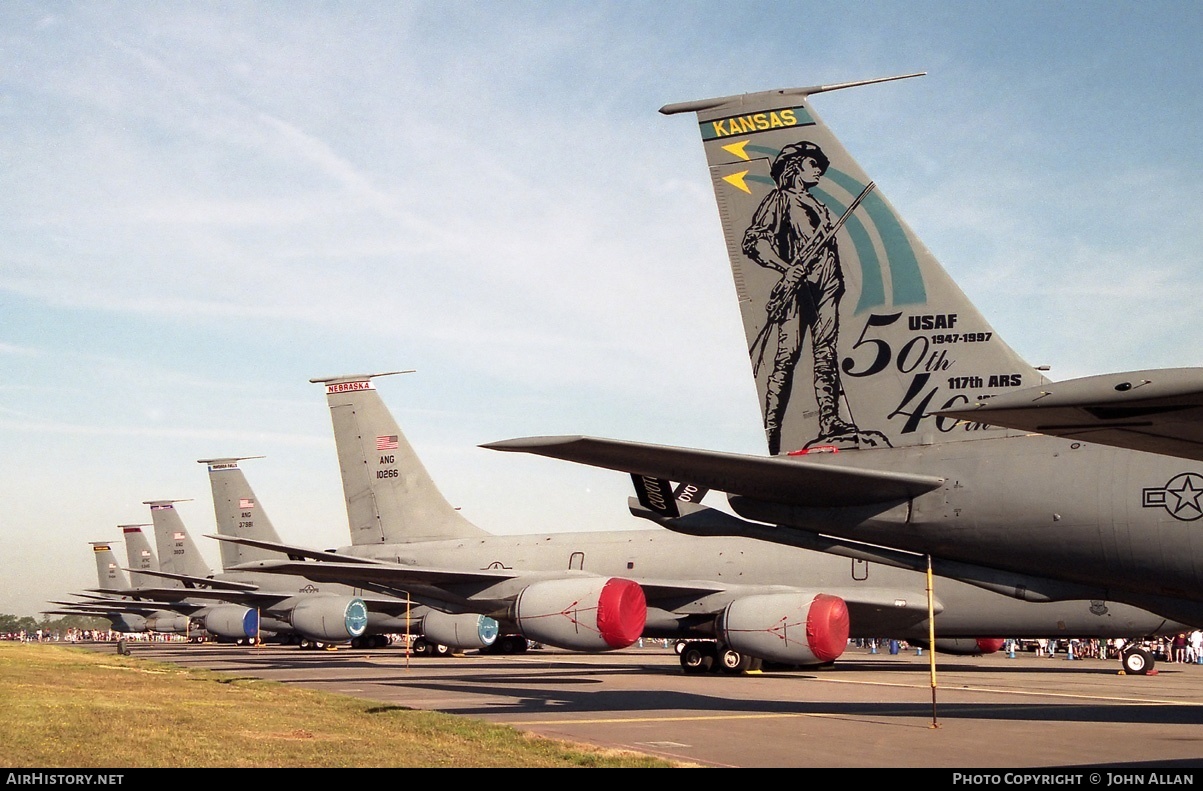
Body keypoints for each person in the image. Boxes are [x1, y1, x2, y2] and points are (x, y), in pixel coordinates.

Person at [742, 141, 861, 453]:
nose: (818, 169)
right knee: (787, 357)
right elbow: (755, 241)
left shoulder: (818, 205)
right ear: (795, 167)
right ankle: (773, 432)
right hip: (798, 288)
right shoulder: (780, 199)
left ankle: (830, 420)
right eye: (812, 163)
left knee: (826, 353)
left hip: (828, 285)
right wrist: (786, 268)